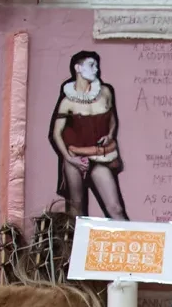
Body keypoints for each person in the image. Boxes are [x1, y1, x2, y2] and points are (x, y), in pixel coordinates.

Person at [51, 49, 129, 220]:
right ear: (78, 68)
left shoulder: (105, 92)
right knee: (76, 209)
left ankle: (129, 244)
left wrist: (109, 134)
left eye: (97, 66)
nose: (96, 70)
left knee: (115, 208)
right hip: (75, 156)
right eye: (91, 65)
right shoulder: (67, 102)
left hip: (100, 157)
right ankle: (72, 246)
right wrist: (69, 159)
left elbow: (112, 119)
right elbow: (57, 133)